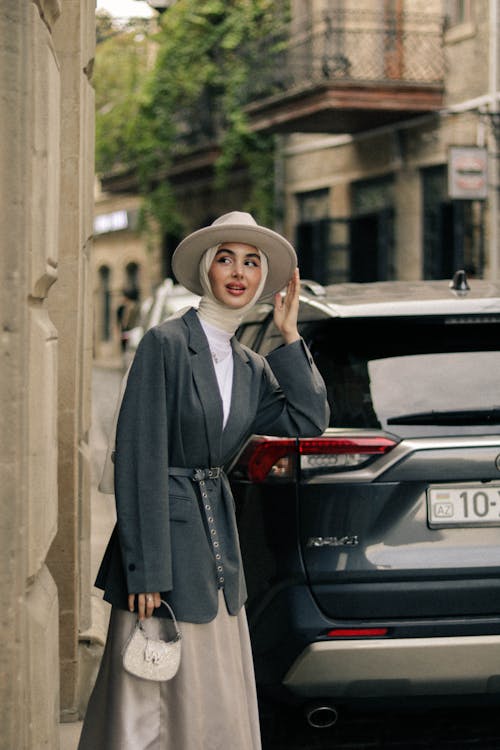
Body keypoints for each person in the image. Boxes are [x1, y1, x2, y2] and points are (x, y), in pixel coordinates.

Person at [78, 211, 330, 750]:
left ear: (263, 280)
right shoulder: (165, 345)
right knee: (153, 688)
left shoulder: (251, 366)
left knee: (211, 685)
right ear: (206, 270)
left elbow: (307, 421)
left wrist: (288, 338)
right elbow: (139, 458)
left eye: (251, 262)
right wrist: (145, 569)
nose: (238, 272)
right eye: (226, 259)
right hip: (163, 550)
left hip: (218, 540)